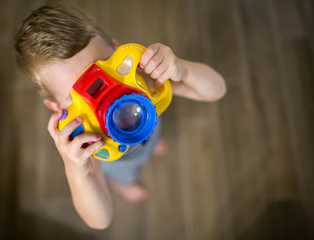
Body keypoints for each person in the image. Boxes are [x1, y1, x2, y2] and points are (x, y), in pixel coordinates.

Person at [14, 4, 226, 229]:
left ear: (118, 52)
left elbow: (217, 90)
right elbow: (100, 221)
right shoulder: (85, 137)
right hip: (118, 165)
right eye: (79, 94)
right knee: (124, 174)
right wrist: (77, 170)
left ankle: (151, 145)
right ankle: (122, 185)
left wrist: (181, 69)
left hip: (151, 133)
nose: (105, 97)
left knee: (153, 138)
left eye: (105, 73)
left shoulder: (141, 79)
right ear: (57, 106)